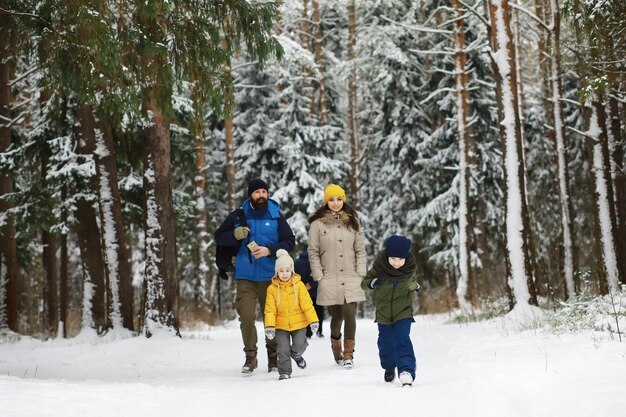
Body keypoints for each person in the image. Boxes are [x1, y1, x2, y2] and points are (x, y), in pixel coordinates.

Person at [214, 179, 296, 374]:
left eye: (264, 191)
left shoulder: (276, 216)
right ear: (250, 195)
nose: (261, 195)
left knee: (272, 318)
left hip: (271, 277)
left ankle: (273, 358)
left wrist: (270, 250)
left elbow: (290, 242)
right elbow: (219, 237)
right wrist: (235, 234)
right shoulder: (239, 215)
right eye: (257, 192)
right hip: (245, 276)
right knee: (247, 316)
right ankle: (250, 356)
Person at [307, 184, 366, 368]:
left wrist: (360, 272)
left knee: (350, 313)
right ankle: (336, 347)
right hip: (329, 278)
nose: (335, 203)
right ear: (326, 201)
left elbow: (360, 249)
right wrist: (318, 275)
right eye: (331, 199)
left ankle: (348, 354)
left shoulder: (353, 221)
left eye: (339, 199)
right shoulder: (317, 224)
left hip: (350, 276)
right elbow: (313, 251)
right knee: (337, 317)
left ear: (343, 200)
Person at [361, 235, 420, 387]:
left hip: (403, 312)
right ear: (387, 256)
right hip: (384, 313)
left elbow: (412, 283)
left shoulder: (409, 269)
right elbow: (364, 284)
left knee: (402, 339)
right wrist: (373, 283)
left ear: (406, 258)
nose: (396, 262)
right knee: (385, 343)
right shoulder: (379, 268)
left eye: (400, 259)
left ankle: (406, 371)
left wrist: (416, 286)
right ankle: (389, 366)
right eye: (393, 258)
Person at [264, 249, 319, 380]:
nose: (284, 274)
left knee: (299, 345)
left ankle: (297, 355)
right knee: (282, 350)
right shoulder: (271, 289)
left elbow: (307, 305)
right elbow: (270, 310)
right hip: (280, 325)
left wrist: (313, 321)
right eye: (281, 271)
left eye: (287, 270)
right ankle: (284, 372)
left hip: (299, 323)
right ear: (277, 271)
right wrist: (270, 326)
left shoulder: (299, 286)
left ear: (292, 271)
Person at [294, 245, 325, 338]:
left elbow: (294, 276)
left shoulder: (296, 262)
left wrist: (302, 285)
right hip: (316, 291)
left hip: (303, 291)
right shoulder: (316, 262)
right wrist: (311, 284)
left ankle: (308, 332)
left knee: (305, 311)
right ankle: (319, 331)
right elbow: (319, 276)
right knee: (319, 311)